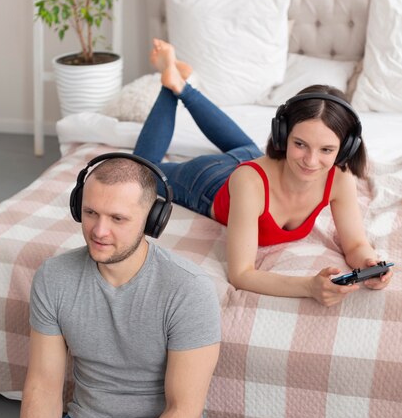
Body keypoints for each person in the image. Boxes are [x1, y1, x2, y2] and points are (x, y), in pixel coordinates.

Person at [0, 154, 221, 418]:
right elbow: (44, 385)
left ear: (152, 220)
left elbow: (184, 413)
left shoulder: (188, 290)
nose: (99, 230)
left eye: (118, 219)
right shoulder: (54, 277)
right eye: (91, 212)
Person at [133, 39, 393, 308]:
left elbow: (355, 245)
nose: (311, 161)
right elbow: (241, 274)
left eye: (326, 149)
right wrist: (308, 287)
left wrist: (368, 263)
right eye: (300, 144)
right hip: (210, 181)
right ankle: (170, 84)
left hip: (254, 157)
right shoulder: (249, 182)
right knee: (137, 171)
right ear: (282, 136)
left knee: (244, 148)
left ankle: (181, 85)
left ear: (345, 148)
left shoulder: (340, 177)